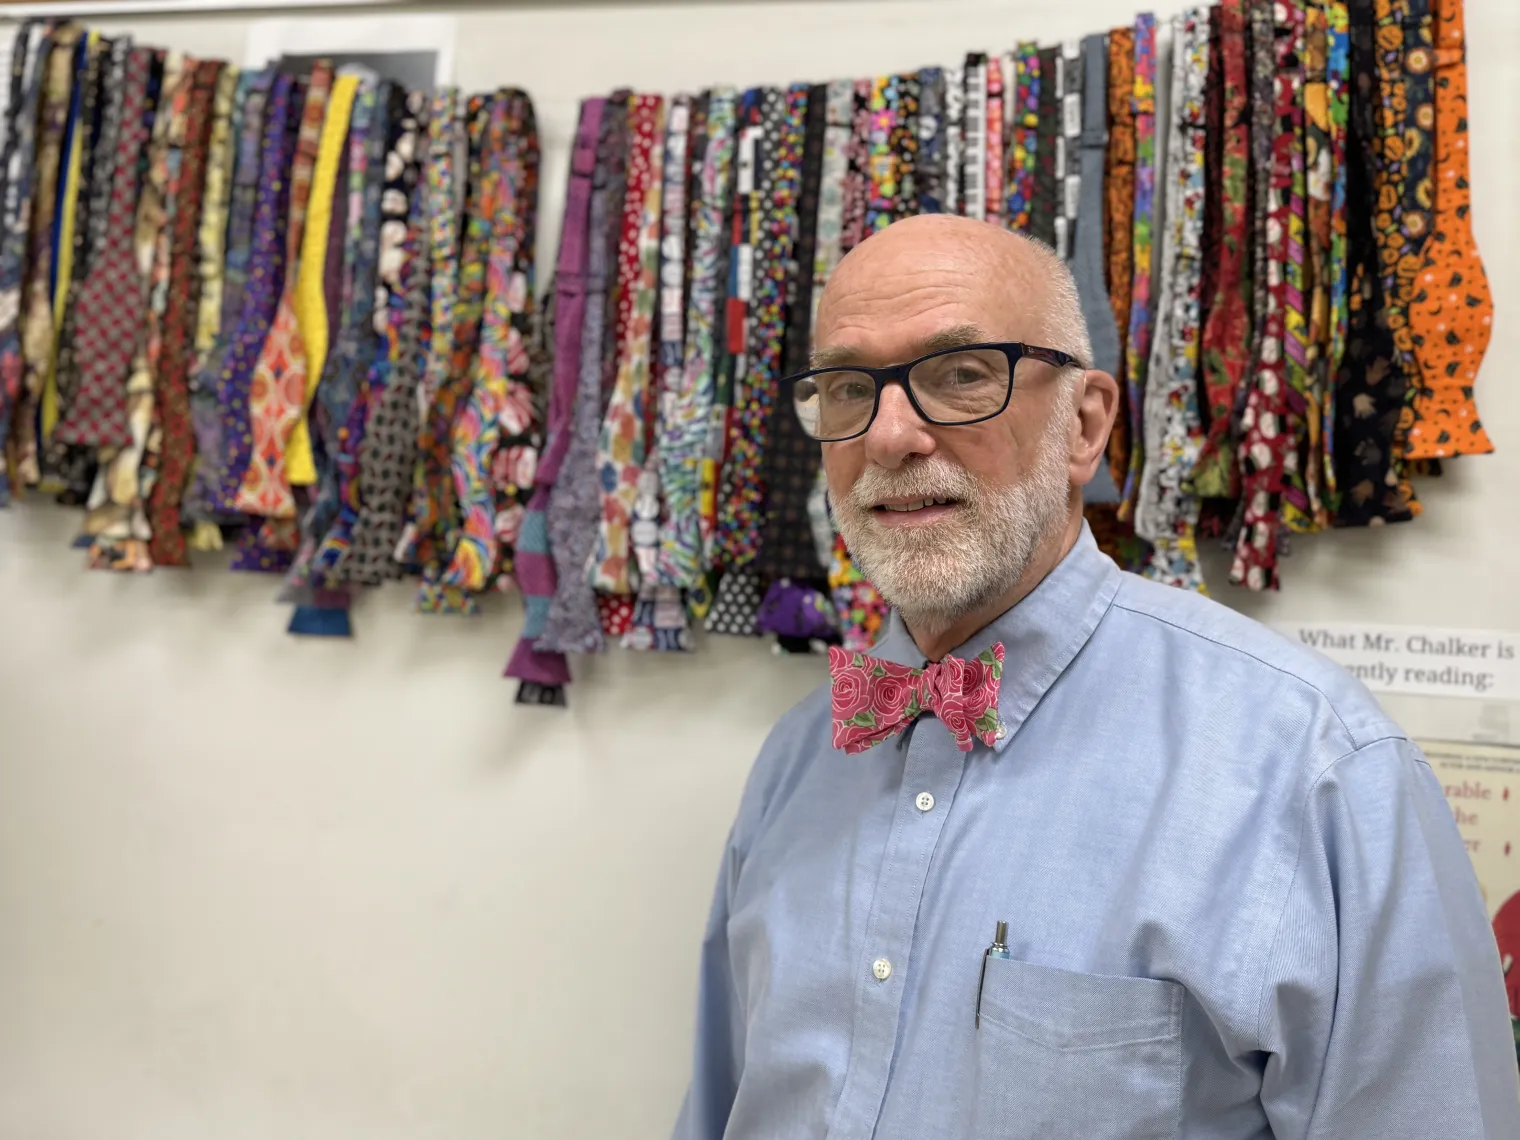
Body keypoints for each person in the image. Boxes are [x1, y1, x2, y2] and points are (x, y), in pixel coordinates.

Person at [670, 215, 1518, 1139]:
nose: (890, 435)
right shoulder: (796, 762)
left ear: (1084, 424)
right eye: (846, 388)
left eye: (961, 375)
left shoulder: (1318, 772)